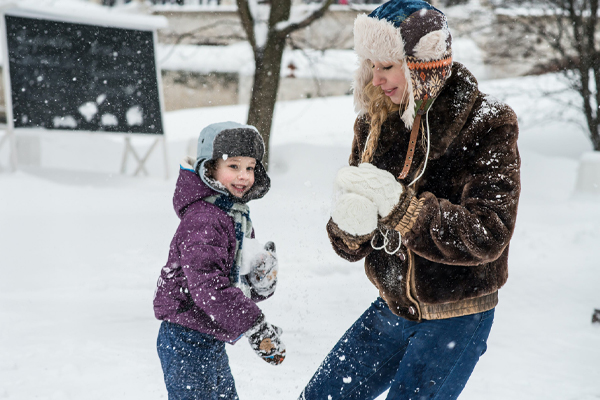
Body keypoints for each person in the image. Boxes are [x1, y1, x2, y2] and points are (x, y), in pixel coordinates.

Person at [299, 0, 521, 399]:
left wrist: (405, 211)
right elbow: (353, 243)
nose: (375, 81)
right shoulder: (376, 120)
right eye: (370, 67)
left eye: (386, 67)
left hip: (458, 315)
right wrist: (350, 228)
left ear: (423, 64)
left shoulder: (487, 122)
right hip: (392, 305)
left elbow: (489, 233)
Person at [153, 121, 285, 400]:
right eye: (234, 166)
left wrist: (260, 283)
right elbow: (209, 288)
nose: (244, 176)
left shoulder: (234, 215)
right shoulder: (204, 220)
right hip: (185, 339)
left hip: (209, 336)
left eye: (250, 167)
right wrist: (255, 325)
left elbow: (230, 285)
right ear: (209, 168)